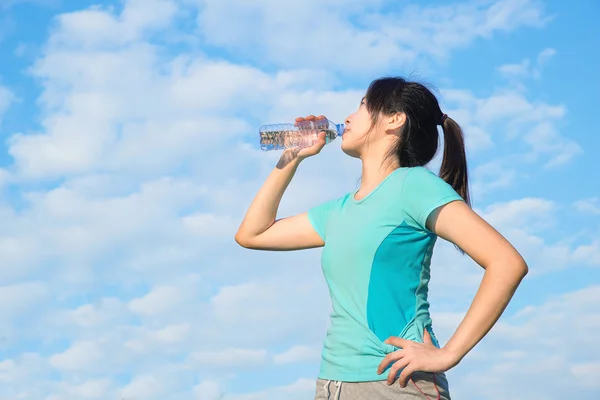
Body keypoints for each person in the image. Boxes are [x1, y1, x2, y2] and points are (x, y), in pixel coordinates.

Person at [235, 77, 528, 400]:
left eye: (362, 105)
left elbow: (506, 263)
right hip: (332, 385)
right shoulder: (339, 210)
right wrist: (292, 157)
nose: (347, 118)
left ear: (394, 119)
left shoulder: (413, 186)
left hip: (395, 384)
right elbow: (253, 234)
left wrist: (450, 353)